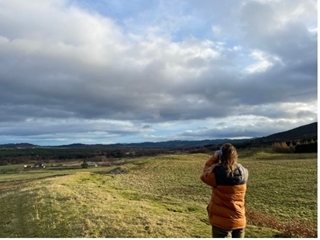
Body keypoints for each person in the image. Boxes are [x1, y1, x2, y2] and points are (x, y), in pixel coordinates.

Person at [200, 143, 248, 238]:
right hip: (239, 219)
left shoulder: (218, 173)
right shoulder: (244, 172)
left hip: (222, 222)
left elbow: (204, 175)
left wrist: (214, 158)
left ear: (221, 156)